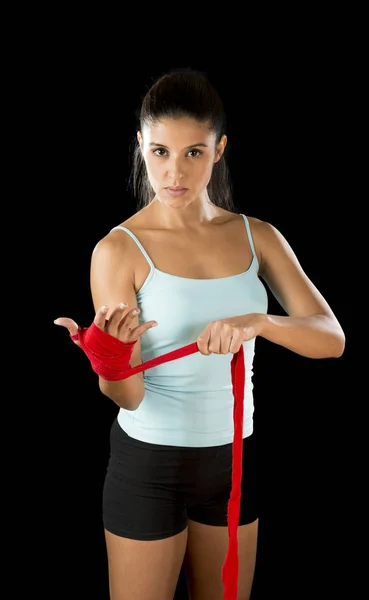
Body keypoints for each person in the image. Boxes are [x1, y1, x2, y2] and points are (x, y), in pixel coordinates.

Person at [54, 68, 345, 600]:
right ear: (140, 145)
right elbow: (129, 395)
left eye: (194, 152)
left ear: (220, 149)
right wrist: (111, 363)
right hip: (149, 467)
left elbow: (331, 338)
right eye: (160, 151)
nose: (175, 171)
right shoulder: (118, 250)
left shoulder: (259, 237)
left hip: (234, 457)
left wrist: (258, 323)